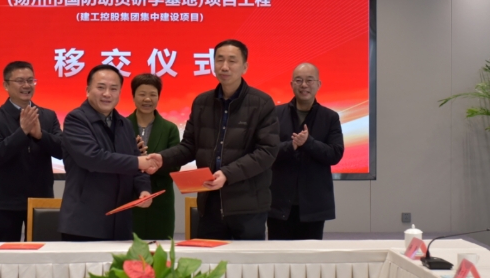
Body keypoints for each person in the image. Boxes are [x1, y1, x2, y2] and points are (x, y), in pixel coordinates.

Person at [148, 39, 280, 240]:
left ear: (245, 67)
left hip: (248, 206)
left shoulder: (261, 103)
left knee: (245, 260)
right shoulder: (202, 102)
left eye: (232, 61)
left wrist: (227, 174)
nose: (224, 66)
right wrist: (163, 158)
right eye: (219, 60)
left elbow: (267, 151)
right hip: (209, 203)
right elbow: (190, 145)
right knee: (209, 259)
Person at [59, 64, 155, 241]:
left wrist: (144, 190)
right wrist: (138, 162)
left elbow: (136, 164)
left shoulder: (124, 124)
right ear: (88, 90)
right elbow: (93, 158)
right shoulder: (76, 120)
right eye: (101, 87)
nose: (107, 94)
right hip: (84, 224)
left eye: (113, 89)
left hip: (120, 223)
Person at [0, 61, 63, 242]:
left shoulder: (48, 115)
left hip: (41, 197)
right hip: (8, 200)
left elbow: (62, 150)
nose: (26, 85)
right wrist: (23, 131)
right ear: (6, 85)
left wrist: (40, 135)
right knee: (6, 252)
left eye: (30, 80)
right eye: (20, 81)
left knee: (43, 249)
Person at [267, 63, 344, 240]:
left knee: (310, 255)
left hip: (314, 205)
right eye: (299, 80)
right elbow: (266, 151)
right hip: (279, 202)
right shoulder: (276, 114)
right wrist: (291, 146)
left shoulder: (330, 117)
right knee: (279, 254)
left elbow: (335, 154)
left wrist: (309, 143)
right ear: (291, 84)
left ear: (318, 84)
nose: (304, 85)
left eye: (309, 80)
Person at [127, 73, 181, 240]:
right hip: (129, 198)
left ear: (158, 97)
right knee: (127, 249)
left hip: (160, 201)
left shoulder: (170, 129)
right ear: (133, 96)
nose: (147, 99)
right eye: (142, 94)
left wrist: (150, 162)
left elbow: (176, 163)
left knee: (160, 249)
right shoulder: (122, 126)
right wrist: (134, 157)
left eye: (153, 94)